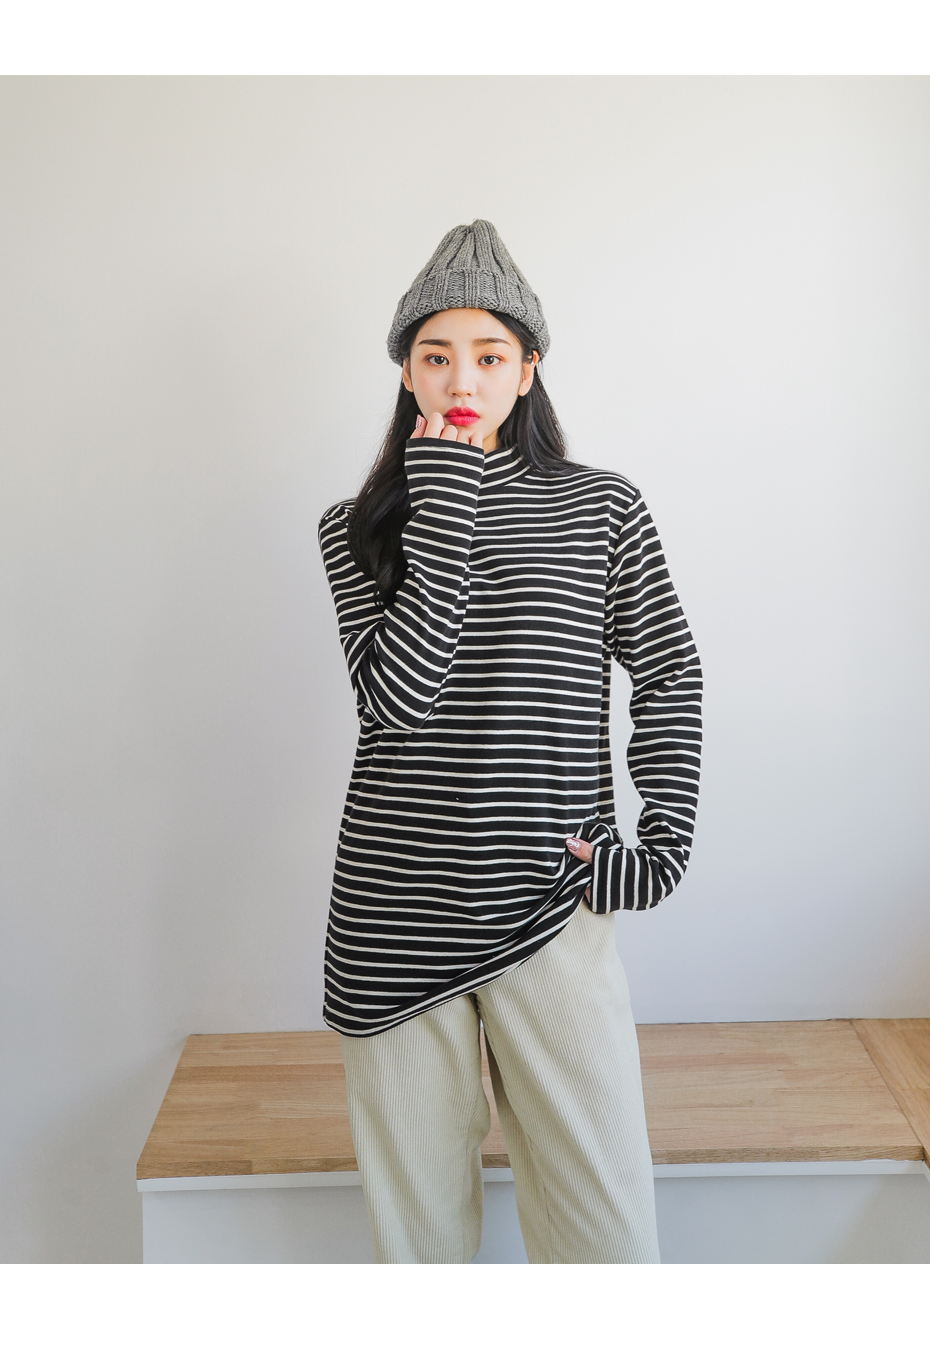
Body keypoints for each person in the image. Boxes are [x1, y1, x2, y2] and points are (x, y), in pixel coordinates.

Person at [318, 220, 702, 1263]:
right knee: (421, 1252)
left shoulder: (602, 507)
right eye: (435, 355)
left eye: (489, 356)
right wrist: (443, 505)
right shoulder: (358, 526)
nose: (462, 380)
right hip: (395, 916)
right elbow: (397, 704)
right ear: (406, 370)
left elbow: (669, 672)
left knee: (607, 1244)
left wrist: (664, 842)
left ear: (528, 369)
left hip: (551, 894)